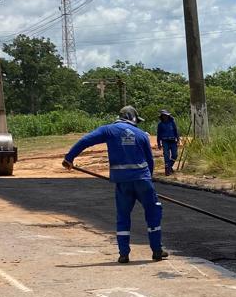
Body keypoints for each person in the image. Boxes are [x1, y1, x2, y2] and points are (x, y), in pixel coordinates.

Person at [62, 105, 168, 264]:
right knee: (153, 212)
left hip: (122, 182)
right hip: (142, 181)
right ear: (133, 117)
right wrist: (149, 181)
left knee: (123, 216)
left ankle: (123, 254)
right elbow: (150, 161)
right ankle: (157, 250)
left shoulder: (108, 130)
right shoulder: (141, 135)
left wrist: (69, 158)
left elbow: (85, 140)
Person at [156, 109, 180, 175]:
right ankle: (167, 170)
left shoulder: (172, 122)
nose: (165, 116)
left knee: (175, 155)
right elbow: (158, 134)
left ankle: (169, 166)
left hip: (173, 141)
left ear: (168, 116)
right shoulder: (160, 125)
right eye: (163, 115)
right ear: (162, 116)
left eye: (166, 115)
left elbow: (176, 131)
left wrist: (178, 140)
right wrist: (158, 143)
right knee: (166, 155)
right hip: (165, 141)